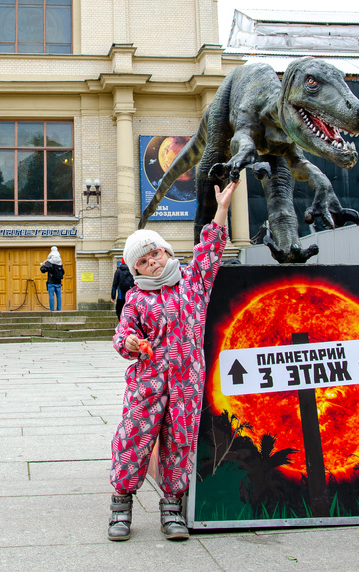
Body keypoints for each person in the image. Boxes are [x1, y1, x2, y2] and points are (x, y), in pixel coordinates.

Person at [107, 179, 236, 542]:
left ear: (165, 251)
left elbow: (210, 249)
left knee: (180, 441)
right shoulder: (135, 298)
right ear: (136, 270)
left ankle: (172, 507)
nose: (152, 263)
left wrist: (222, 209)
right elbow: (122, 333)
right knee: (134, 439)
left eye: (155, 255)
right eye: (143, 262)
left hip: (186, 381)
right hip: (147, 383)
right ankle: (121, 504)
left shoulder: (194, 282)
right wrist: (130, 342)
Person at [39, 247, 64, 311]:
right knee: (59, 296)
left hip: (51, 282)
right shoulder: (60, 262)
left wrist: (43, 265)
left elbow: (43, 270)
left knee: (51, 296)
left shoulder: (50, 262)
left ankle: (52, 310)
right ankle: (59, 310)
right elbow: (63, 272)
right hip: (58, 282)